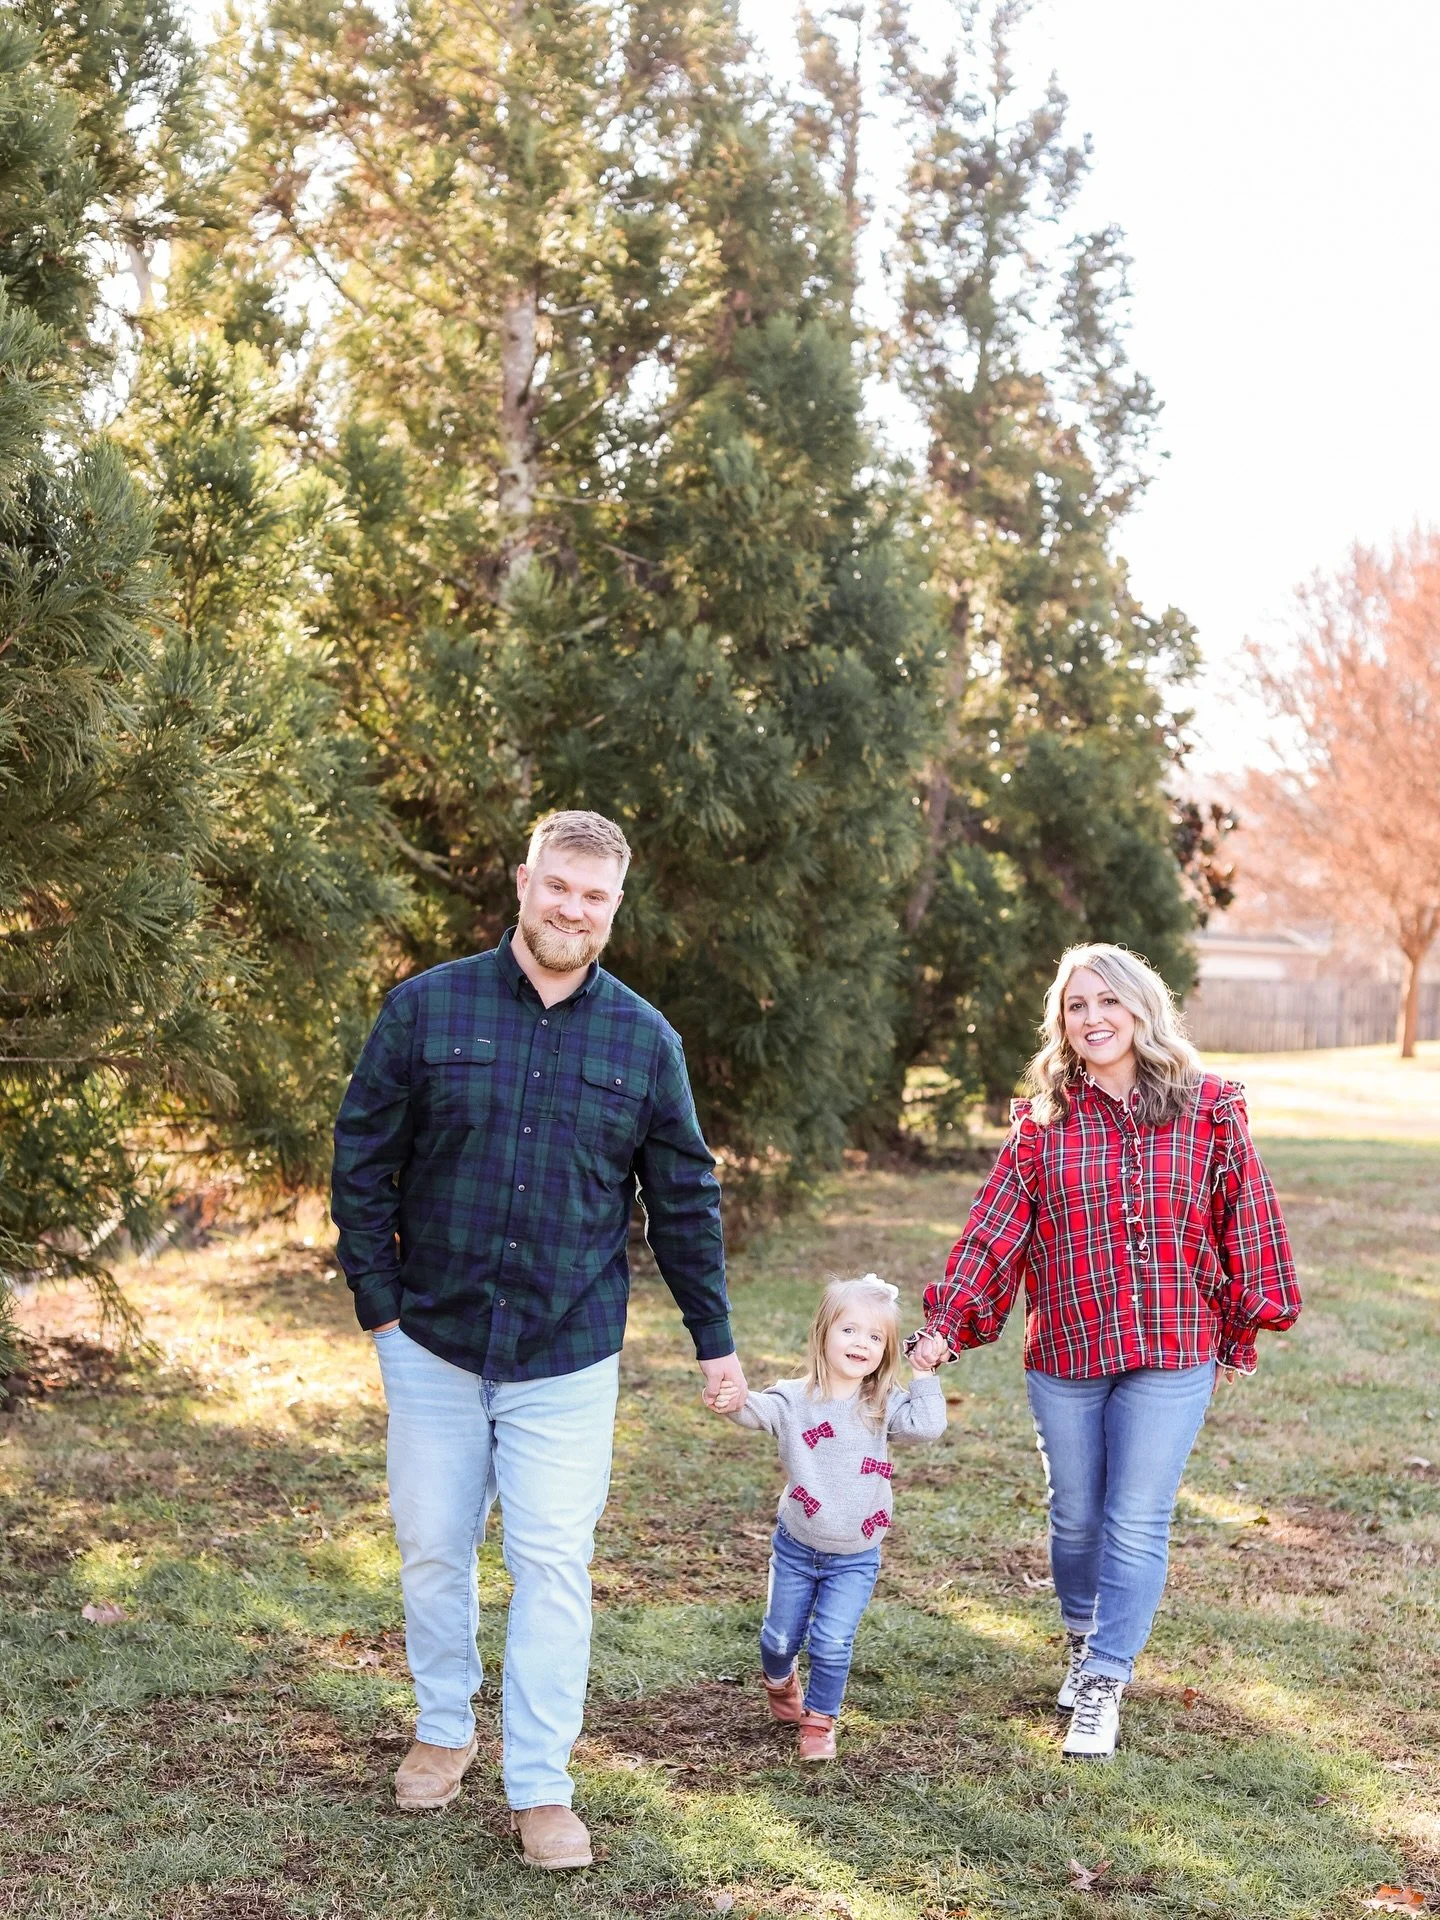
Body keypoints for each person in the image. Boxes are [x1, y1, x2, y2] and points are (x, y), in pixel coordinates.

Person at [331, 809, 746, 1869]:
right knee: (432, 1544)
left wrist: (715, 1340)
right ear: (524, 882)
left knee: (554, 1563)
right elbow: (363, 1157)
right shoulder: (427, 1007)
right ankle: (442, 1728)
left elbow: (685, 1197)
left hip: (567, 1351)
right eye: (559, 886)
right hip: (431, 1337)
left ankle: (542, 1785)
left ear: (615, 905)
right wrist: (380, 1309)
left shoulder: (645, 1039)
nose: (573, 909)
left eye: (595, 896)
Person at [910, 943, 1300, 1762]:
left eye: (1107, 1002)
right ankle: (1086, 1639)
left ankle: (1104, 1680)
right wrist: (947, 1325)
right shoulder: (1041, 1127)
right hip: (1069, 1351)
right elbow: (995, 1235)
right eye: (1076, 1006)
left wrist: (1243, 1321)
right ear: (1062, 1022)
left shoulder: (1209, 1109)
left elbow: (1247, 1214)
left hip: (1172, 1344)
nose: (1092, 1019)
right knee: (1078, 1516)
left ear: (1140, 1009)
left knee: (1135, 1517)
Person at [710, 1275, 946, 1760]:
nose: (862, 1343)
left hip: (857, 1554)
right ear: (823, 1333)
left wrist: (925, 1376)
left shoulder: (883, 1404)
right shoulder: (794, 1399)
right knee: (779, 1640)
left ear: (885, 1351)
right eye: (850, 1330)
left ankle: (819, 1721)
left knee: (833, 1640)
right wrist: (729, 1397)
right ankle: (779, 1682)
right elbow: (751, 1410)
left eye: (875, 1337)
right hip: (797, 1545)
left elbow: (929, 1426)